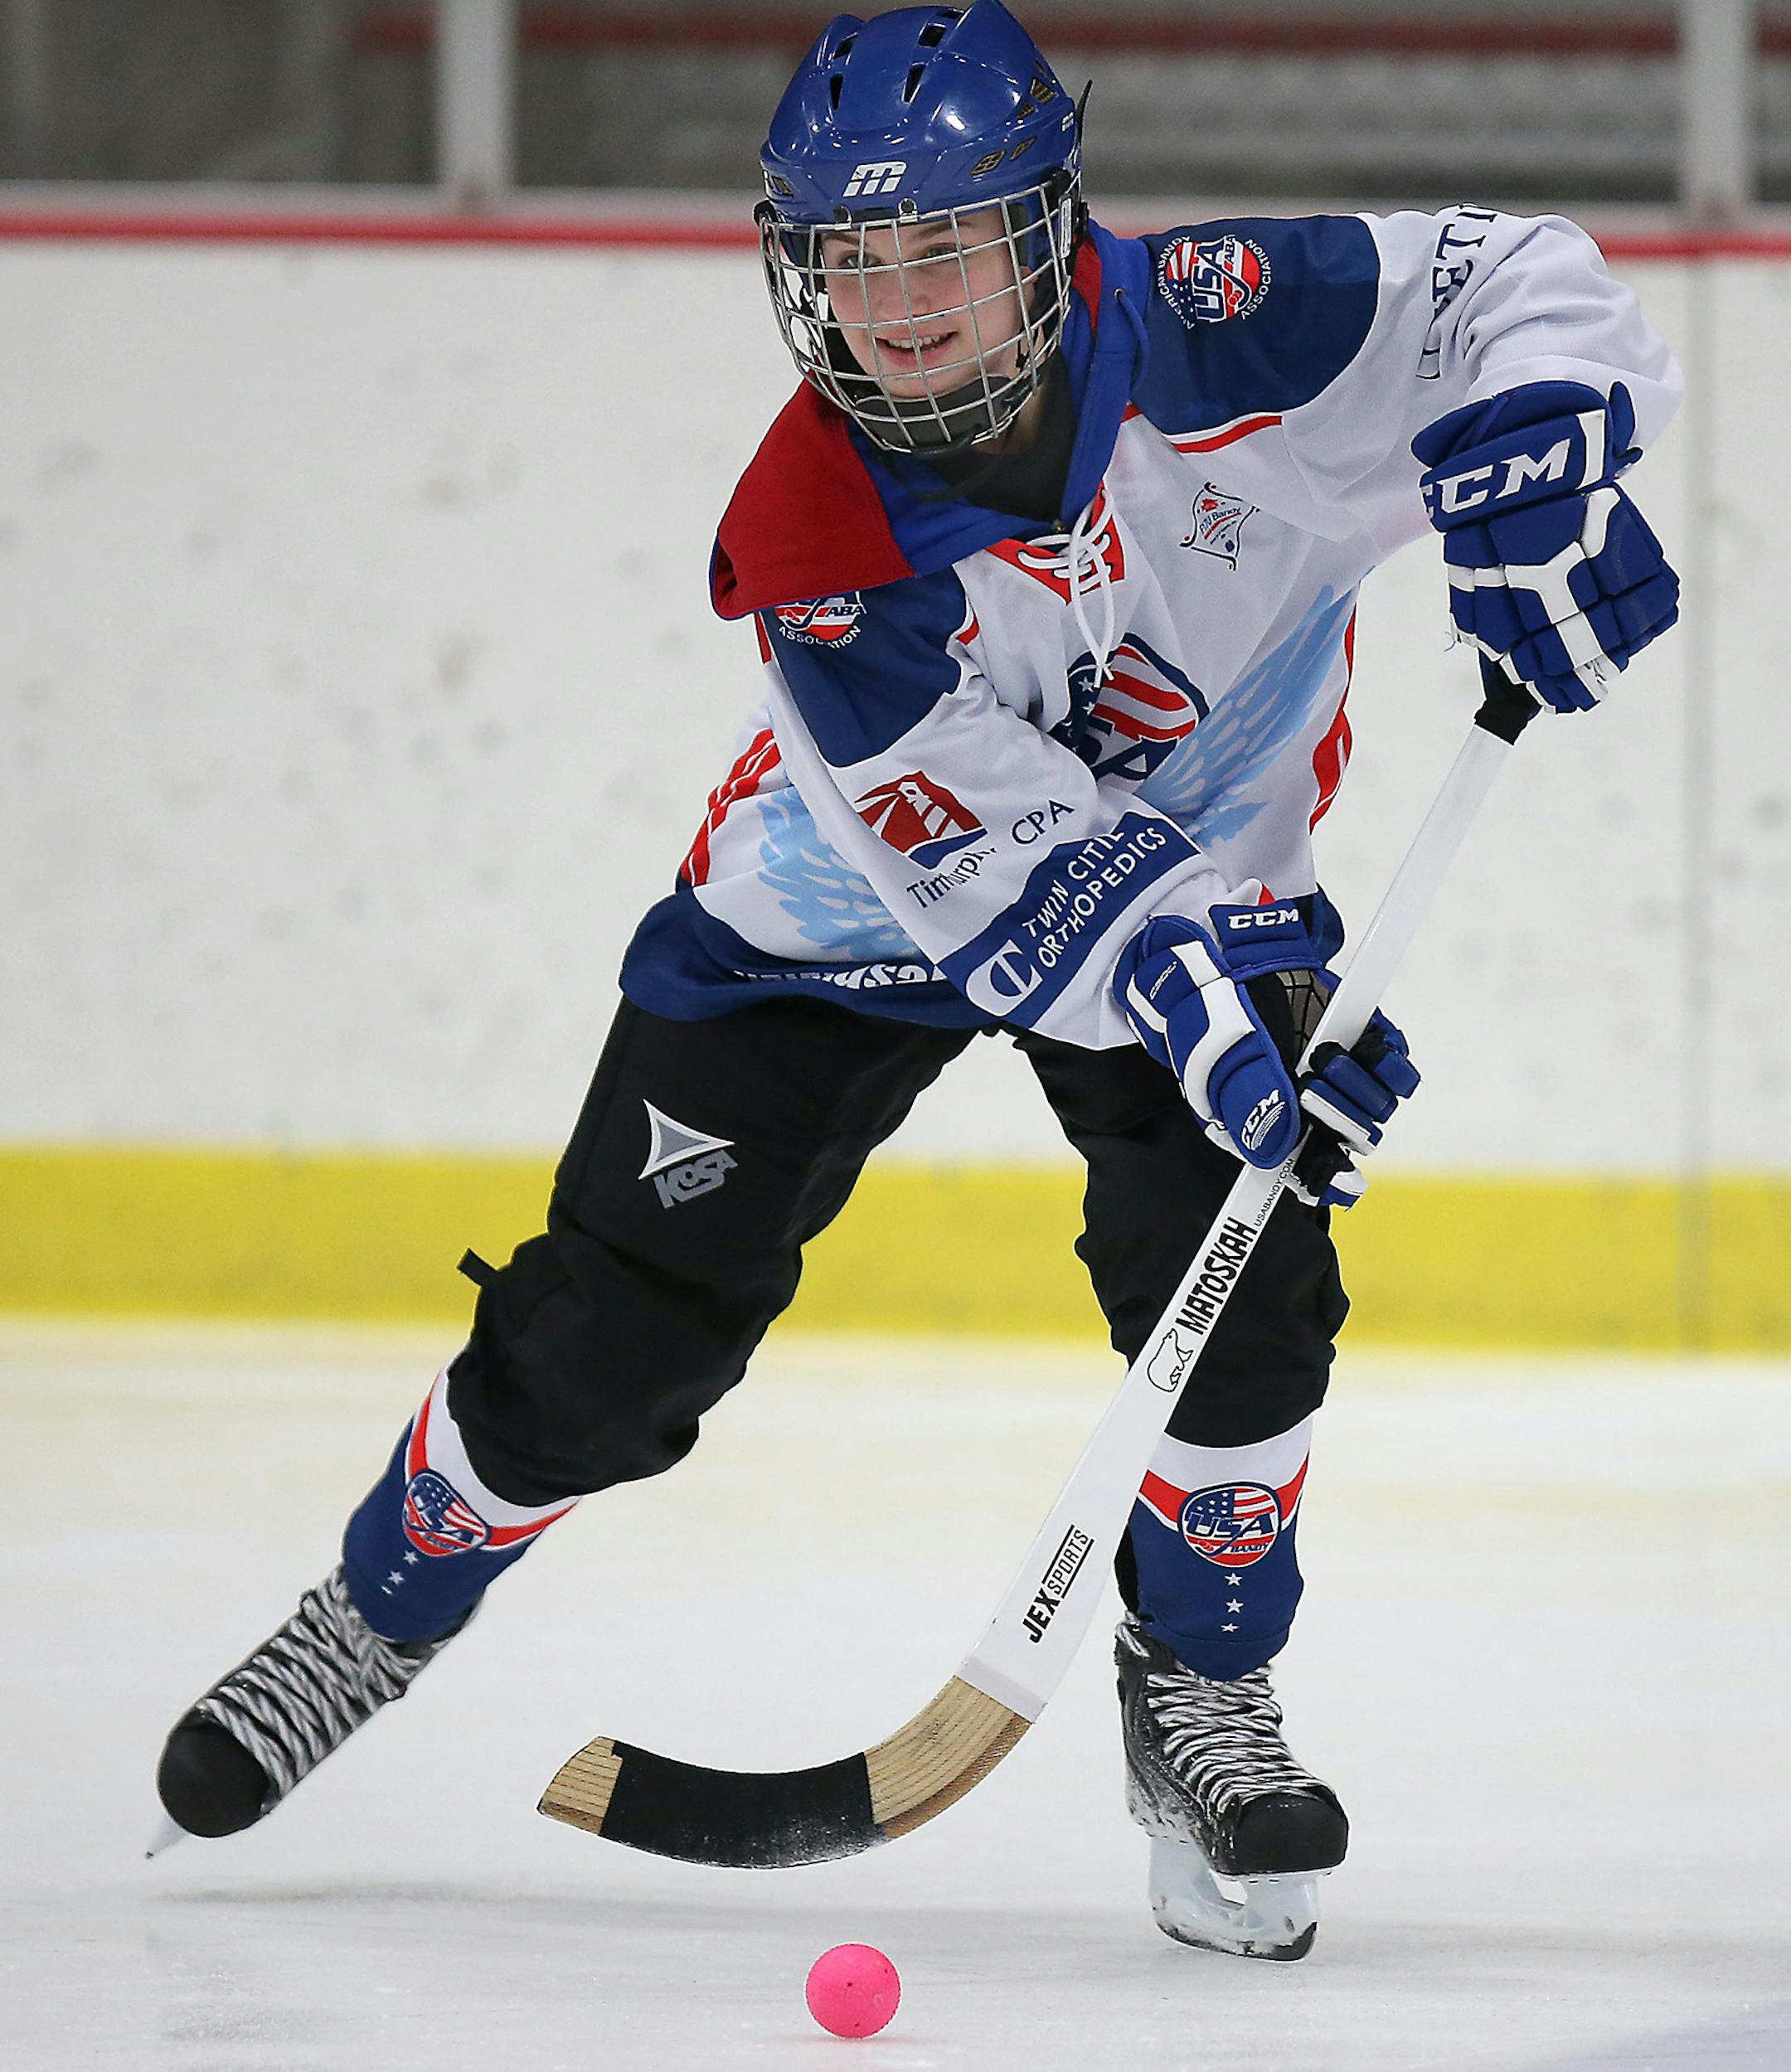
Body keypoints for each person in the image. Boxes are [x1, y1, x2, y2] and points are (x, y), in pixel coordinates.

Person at [155, 0, 1682, 1962]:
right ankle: (382, 1596)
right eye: (852, 261)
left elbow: (1512, 286)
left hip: (1203, 883)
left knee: (1247, 1274)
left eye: (944, 245)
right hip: (830, 925)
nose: (899, 304)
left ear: (1046, 230)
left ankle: (1199, 1687)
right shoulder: (811, 529)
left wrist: (1535, 454)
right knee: (611, 1349)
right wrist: (1197, 998)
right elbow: (985, 850)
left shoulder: (1234, 325)